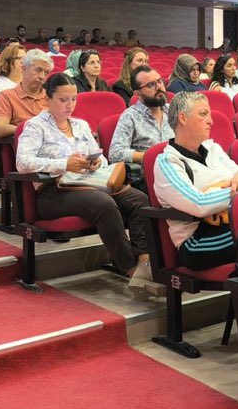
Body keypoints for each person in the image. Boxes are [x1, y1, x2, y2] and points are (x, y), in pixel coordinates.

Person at [16, 74, 153, 297]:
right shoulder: (35, 126)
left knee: (139, 199)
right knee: (104, 203)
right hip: (53, 191)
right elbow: (22, 163)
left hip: (88, 182)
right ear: (47, 98)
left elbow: (103, 158)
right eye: (63, 99)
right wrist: (64, 164)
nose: (70, 105)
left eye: (73, 99)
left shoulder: (80, 125)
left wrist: (96, 162)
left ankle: (145, 261)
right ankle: (132, 269)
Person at [153, 92, 238, 271]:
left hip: (231, 221)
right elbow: (199, 203)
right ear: (183, 118)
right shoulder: (168, 162)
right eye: (203, 114)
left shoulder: (213, 148)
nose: (211, 120)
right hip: (197, 239)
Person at [109, 65, 172, 164]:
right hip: (146, 172)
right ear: (137, 94)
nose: (159, 87)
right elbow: (115, 153)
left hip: (177, 168)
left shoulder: (172, 110)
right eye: (151, 85)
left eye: (160, 81)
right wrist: (151, 157)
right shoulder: (130, 116)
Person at [0, 49, 52, 138]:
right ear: (24, 69)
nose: (42, 77)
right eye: (38, 70)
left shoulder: (51, 98)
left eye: (46, 73)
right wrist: (33, 130)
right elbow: (0, 129)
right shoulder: (7, 96)